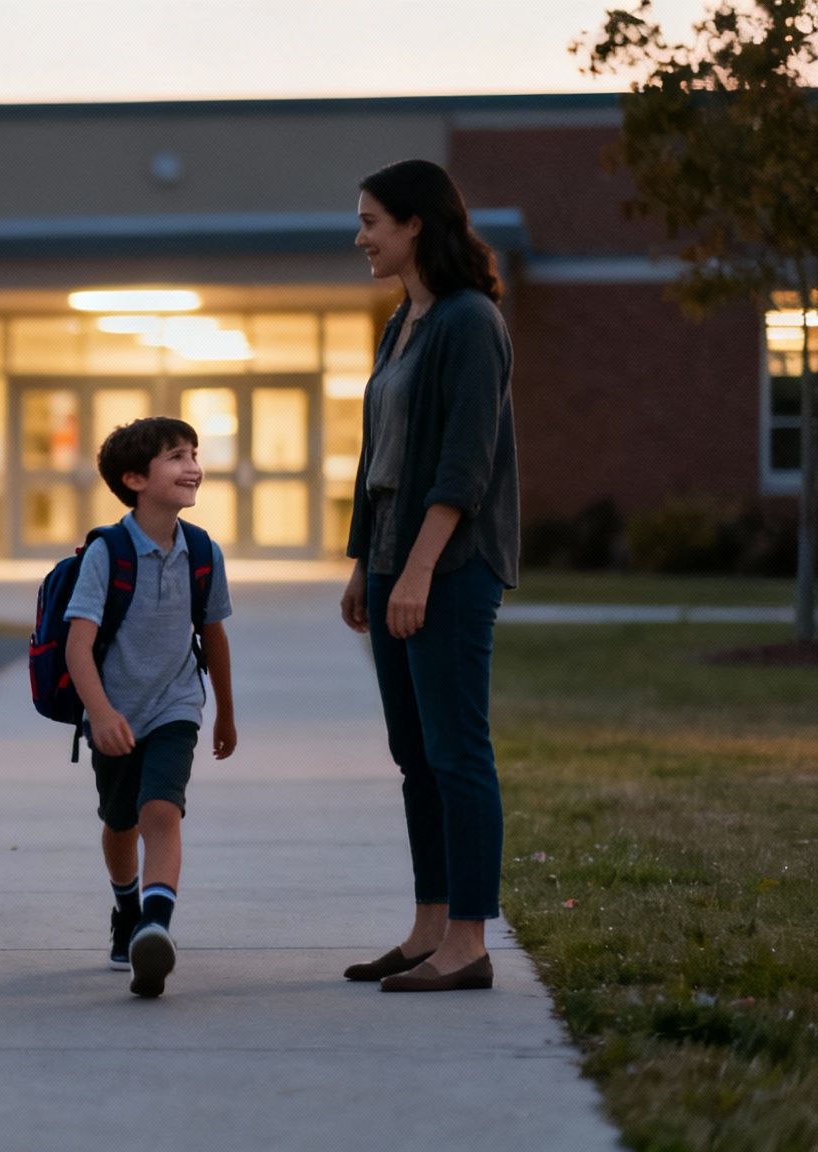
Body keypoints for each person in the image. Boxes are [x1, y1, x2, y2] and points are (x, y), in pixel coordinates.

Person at [339, 159, 520, 993]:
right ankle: (428, 927)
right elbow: (378, 457)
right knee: (414, 756)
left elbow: (464, 464)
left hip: (449, 566)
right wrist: (361, 564)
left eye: (373, 221)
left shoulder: (469, 322)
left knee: (457, 753)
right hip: (390, 564)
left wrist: (416, 569)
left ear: (416, 225)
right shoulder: (401, 324)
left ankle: (470, 942)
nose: (361, 237)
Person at [65, 416, 236, 999]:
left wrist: (226, 713)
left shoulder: (202, 550)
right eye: (176, 457)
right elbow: (77, 645)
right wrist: (102, 713)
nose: (193, 466)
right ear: (135, 478)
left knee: (163, 811)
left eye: (193, 454)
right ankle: (126, 907)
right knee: (120, 823)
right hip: (114, 712)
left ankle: (155, 928)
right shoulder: (106, 552)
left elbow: (212, 634)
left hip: (175, 705)